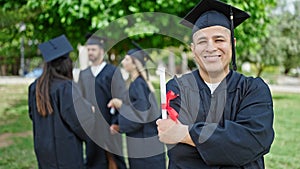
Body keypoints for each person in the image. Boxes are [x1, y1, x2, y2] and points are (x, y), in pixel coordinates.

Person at [156, 0, 275, 168]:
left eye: (219, 40)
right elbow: (180, 153)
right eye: (202, 41)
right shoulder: (176, 89)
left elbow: (254, 141)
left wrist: (184, 133)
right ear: (193, 49)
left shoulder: (254, 89)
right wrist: (228, 143)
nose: (210, 48)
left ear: (232, 44)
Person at [28, 34, 98, 169]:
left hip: (44, 150)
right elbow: (79, 122)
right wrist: (89, 110)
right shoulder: (65, 88)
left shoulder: (35, 87)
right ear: (67, 64)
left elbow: (33, 115)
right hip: (65, 152)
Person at [108, 43, 166, 169]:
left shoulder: (138, 84)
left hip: (145, 146)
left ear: (135, 64)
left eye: (127, 59)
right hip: (143, 142)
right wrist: (119, 125)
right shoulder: (137, 83)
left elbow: (141, 115)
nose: (123, 61)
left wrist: (121, 105)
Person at [77, 34, 127, 169]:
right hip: (91, 126)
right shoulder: (84, 74)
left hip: (109, 124)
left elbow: (121, 98)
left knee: (115, 160)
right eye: (88, 50)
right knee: (93, 159)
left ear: (101, 51)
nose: (90, 53)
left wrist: (117, 122)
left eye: (93, 49)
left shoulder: (112, 72)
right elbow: (80, 100)